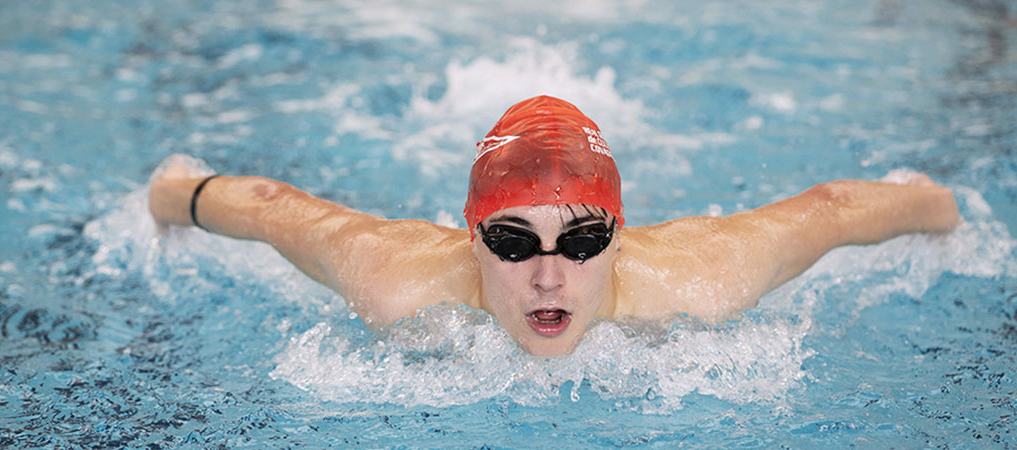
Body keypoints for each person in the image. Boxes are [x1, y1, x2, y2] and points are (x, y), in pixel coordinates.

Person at [149, 95, 960, 356]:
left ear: (618, 234)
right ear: (469, 237)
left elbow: (827, 213)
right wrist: (171, 197)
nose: (548, 276)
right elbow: (276, 210)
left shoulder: (704, 279)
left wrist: (937, 209)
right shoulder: (394, 278)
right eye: (511, 241)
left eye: (580, 242)